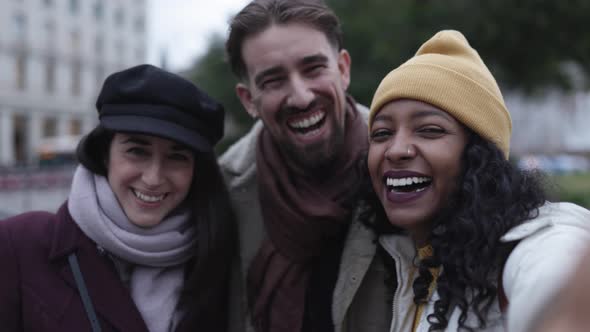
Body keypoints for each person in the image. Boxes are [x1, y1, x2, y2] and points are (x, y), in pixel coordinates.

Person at [355, 29, 590, 332]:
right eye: (382, 133)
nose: (397, 149)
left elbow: (555, 272)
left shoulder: (536, 243)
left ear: (480, 154)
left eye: (429, 130)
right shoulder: (405, 257)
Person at [0, 64, 236, 332]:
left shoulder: (222, 256)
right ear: (104, 154)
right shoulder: (19, 245)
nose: (153, 177)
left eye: (177, 157)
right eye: (137, 151)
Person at [220, 1, 390, 331]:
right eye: (273, 80)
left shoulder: (404, 166)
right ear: (247, 100)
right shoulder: (221, 189)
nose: (300, 97)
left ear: (343, 69)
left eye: (313, 69)